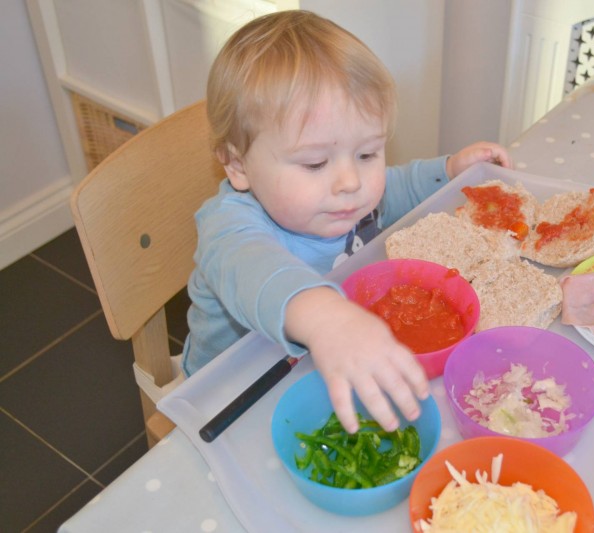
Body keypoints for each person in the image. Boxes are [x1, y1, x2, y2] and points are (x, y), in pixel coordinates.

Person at [183, 9, 511, 434]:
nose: (351, 182)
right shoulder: (227, 229)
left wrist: (449, 171)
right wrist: (328, 321)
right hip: (230, 400)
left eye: (367, 154)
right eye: (316, 162)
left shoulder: (344, 198)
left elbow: (395, 188)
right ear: (237, 164)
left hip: (319, 369)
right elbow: (258, 272)